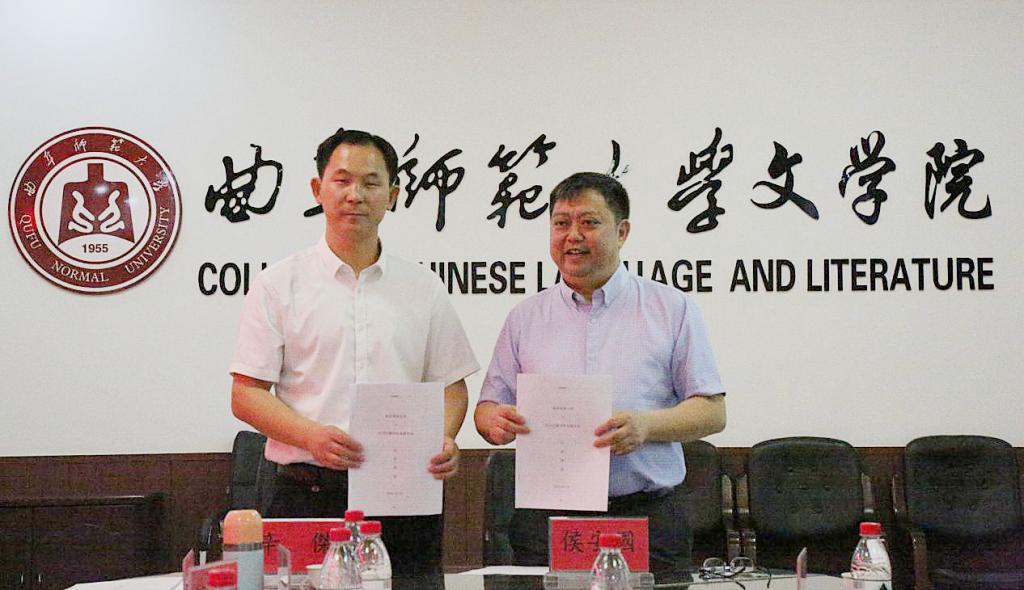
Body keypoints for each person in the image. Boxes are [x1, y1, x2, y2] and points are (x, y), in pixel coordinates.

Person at [230, 128, 478, 574]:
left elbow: (451, 386)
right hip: (308, 493)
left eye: (371, 182)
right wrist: (311, 436)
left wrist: (442, 437)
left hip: (405, 493)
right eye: (342, 180)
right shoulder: (278, 284)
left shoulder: (423, 287)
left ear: (393, 195)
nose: (355, 195)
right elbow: (246, 394)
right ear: (317, 189)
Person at [474, 172, 726, 577]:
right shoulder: (525, 317)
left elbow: (712, 411)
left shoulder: (670, 308)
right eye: (561, 223)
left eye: (589, 223)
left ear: (622, 232)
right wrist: (494, 421)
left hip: (645, 516)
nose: (572, 236)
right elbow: (488, 407)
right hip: (547, 519)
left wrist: (646, 426)